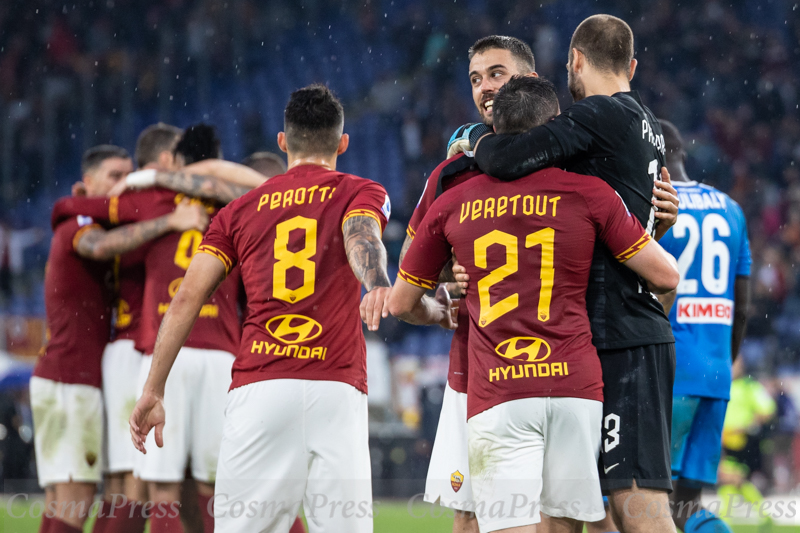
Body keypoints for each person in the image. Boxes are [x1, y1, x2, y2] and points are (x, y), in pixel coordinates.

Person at [388, 75, 679, 533]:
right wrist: (654, 223)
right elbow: (666, 276)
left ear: (495, 127)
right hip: (575, 389)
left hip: (500, 389)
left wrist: (437, 311)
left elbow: (402, 300)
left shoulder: (453, 201)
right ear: (551, 129)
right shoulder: (590, 193)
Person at [130, 84, 393, 533]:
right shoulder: (361, 190)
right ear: (342, 143)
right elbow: (361, 234)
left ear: (283, 141)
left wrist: (153, 390)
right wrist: (376, 283)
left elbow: (186, 300)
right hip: (337, 382)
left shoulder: (238, 210)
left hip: (261, 385)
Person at [455, 15, 680, 532]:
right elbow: (623, 227)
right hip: (597, 336)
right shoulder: (644, 124)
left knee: (637, 508)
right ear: (633, 65)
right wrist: (662, 226)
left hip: (625, 333)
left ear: (575, 61)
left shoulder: (600, 115)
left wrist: (472, 140)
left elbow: (510, 156)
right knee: (581, 510)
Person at [52, 125, 261, 533]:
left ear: (172, 161)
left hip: (160, 350)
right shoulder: (234, 206)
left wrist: (144, 182)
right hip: (223, 355)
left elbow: (74, 208)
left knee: (150, 490)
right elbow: (266, 184)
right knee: (209, 486)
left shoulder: (149, 197)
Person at [32, 145, 208, 533]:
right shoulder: (78, 223)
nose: (123, 185)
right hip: (69, 378)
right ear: (86, 184)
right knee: (90, 499)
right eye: (114, 176)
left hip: (74, 374)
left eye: (128, 175)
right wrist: (170, 220)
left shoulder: (96, 223)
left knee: (78, 498)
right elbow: (101, 246)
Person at [401, 35, 536, 533]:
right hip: (474, 360)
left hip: (559, 357)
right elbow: (415, 264)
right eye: (476, 78)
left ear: (530, 80)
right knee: (472, 511)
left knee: (559, 510)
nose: (485, 88)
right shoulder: (451, 172)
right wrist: (446, 276)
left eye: (497, 73)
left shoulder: (573, 154)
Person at [656, 119, 752, 533]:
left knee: (639, 500)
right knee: (687, 505)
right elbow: (743, 303)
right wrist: (724, 362)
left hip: (672, 367)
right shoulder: (731, 209)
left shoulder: (657, 206)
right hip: (715, 371)